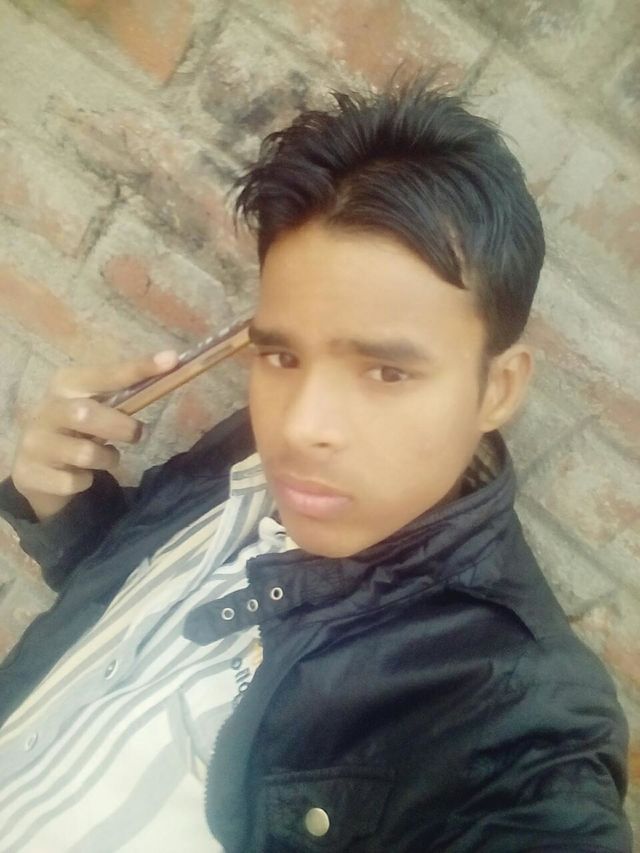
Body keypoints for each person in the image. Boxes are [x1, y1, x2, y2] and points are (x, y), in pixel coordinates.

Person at [0, 74, 632, 852]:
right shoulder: (246, 443)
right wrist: (64, 506)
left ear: (497, 388)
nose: (299, 428)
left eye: (387, 371)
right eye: (281, 354)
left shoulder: (514, 716)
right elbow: (139, 606)